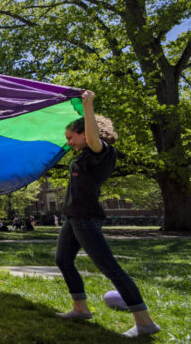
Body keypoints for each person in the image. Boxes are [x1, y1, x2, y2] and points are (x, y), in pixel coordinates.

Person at [55, 90, 159, 338]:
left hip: (86, 218)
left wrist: (87, 105)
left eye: (71, 137)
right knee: (63, 260)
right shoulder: (86, 156)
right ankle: (81, 308)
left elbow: (93, 139)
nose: (69, 142)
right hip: (73, 217)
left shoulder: (101, 152)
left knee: (110, 268)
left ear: (85, 133)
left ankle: (144, 322)